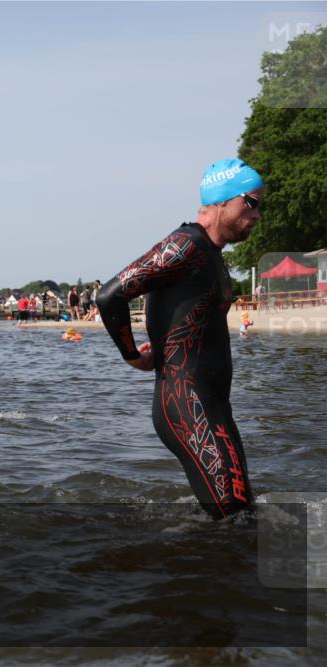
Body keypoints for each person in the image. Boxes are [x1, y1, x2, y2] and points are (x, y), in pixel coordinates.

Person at [97, 158, 263, 520]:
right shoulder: (185, 245)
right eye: (251, 203)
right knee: (235, 519)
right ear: (222, 201)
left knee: (241, 517)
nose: (257, 214)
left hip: (213, 405)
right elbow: (110, 296)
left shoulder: (210, 253)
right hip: (188, 404)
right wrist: (132, 356)